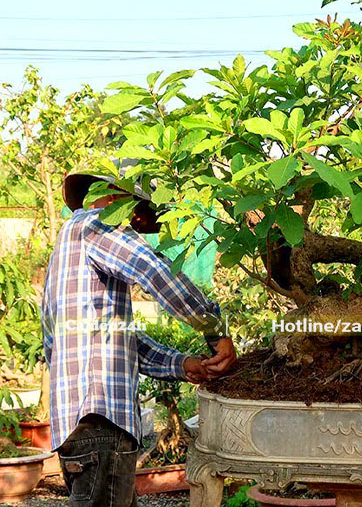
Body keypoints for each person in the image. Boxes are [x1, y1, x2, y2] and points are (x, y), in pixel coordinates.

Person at [41, 161, 236, 506]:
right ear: (116, 197)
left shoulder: (66, 246)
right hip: (102, 424)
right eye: (137, 212)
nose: (137, 224)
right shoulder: (98, 224)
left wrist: (180, 363)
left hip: (79, 429)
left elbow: (118, 336)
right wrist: (213, 329)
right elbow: (155, 272)